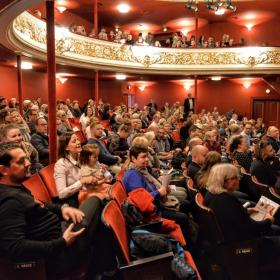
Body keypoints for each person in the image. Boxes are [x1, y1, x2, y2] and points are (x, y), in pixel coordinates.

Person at [0, 142, 117, 279]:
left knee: (99, 220)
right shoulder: (8, 202)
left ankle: (103, 269)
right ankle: (106, 269)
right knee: (96, 201)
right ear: (4, 170)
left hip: (60, 232)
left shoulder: (16, 187)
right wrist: (62, 242)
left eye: (26, 158)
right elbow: (15, 248)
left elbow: (39, 204)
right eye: (21, 161)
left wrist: (62, 209)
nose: (27, 164)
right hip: (60, 252)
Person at [204, 163, 280, 262]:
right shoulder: (226, 200)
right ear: (223, 181)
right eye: (234, 178)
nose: (238, 180)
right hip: (243, 246)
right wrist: (268, 221)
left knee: (276, 229)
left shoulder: (211, 194)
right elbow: (250, 229)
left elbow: (231, 216)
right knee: (275, 228)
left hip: (232, 238)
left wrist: (245, 211)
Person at [122, 145, 190, 239]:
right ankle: (187, 246)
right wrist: (158, 192)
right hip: (149, 216)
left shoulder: (141, 170)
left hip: (156, 205)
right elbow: (141, 202)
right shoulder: (133, 175)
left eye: (147, 156)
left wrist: (163, 188)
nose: (147, 160)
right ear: (133, 158)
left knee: (185, 204)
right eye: (143, 157)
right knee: (183, 217)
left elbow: (149, 189)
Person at [54, 132, 98, 207]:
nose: (78, 142)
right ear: (66, 147)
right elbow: (61, 194)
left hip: (86, 191)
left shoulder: (82, 156)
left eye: (77, 139)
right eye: (74, 141)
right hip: (73, 198)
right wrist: (81, 181)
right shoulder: (61, 164)